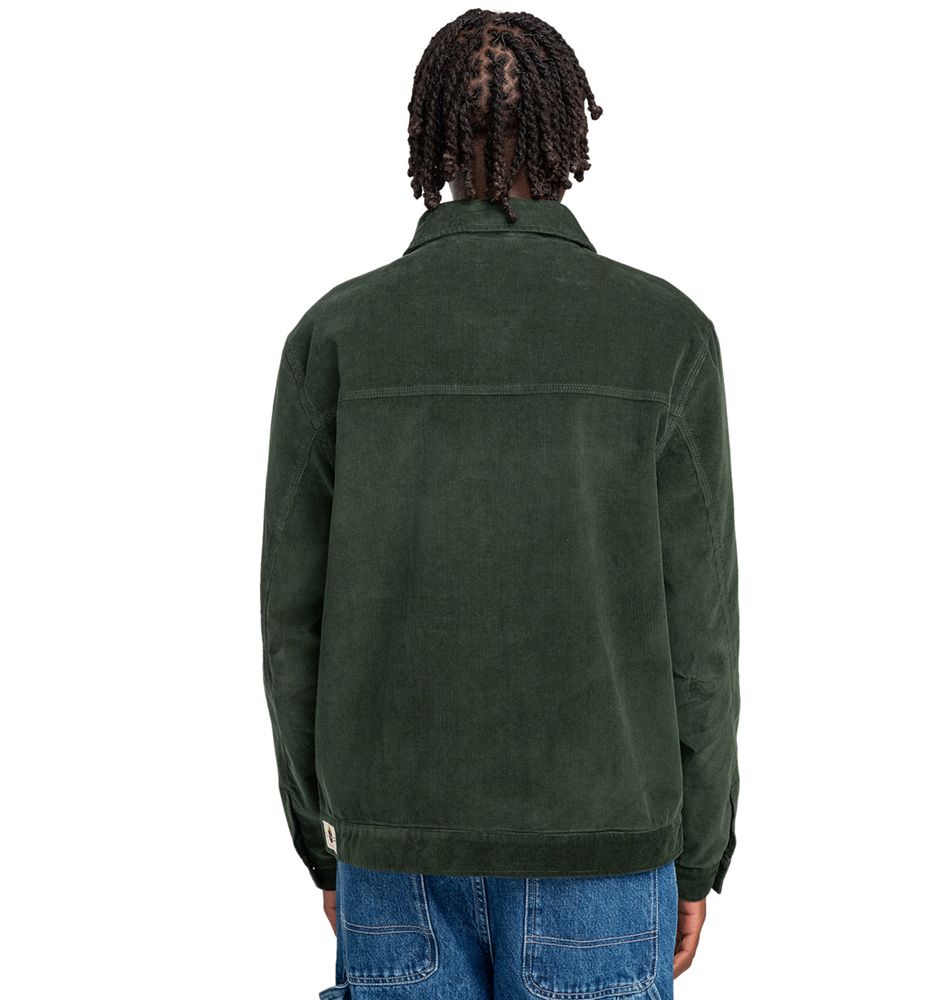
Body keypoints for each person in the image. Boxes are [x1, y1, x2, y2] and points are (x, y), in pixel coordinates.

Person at [259, 9, 741, 999]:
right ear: (568, 137)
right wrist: (697, 853)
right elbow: (700, 634)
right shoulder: (664, 332)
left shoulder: (335, 336)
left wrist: (326, 841)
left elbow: (290, 629)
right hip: (605, 849)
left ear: (430, 141)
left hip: (394, 851)